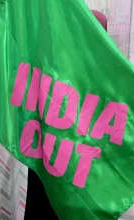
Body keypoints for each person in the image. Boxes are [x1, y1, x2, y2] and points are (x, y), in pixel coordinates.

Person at [23, 10, 108, 220]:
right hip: (48, 159)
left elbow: (132, 108)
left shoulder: (108, 75)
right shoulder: (48, 63)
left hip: (86, 164)